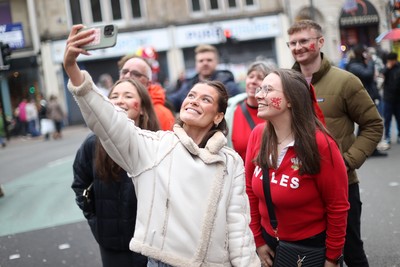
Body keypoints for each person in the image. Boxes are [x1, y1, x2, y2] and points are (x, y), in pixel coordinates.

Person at [63, 24, 260, 267]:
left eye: (206, 99)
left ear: (219, 116)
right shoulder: (156, 146)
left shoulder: (231, 161)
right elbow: (109, 120)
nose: (194, 101)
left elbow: (238, 226)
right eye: (191, 95)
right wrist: (73, 69)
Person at [287, 20, 383, 267]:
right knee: (308, 254)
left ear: (320, 42)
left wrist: (347, 161)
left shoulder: (345, 81)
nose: (298, 47)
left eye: (304, 41)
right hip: (299, 186)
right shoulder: (285, 84)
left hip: (341, 185)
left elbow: (373, 125)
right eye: (293, 43)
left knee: (349, 251)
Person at [245, 68, 349, 267]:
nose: (258, 95)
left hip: (310, 247)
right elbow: (250, 191)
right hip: (268, 243)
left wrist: (332, 258)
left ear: (291, 100)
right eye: (260, 89)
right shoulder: (258, 134)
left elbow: (337, 206)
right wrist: (258, 240)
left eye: (268, 90)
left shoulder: (320, 144)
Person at [72, 78, 159, 267]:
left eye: (128, 96)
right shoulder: (92, 144)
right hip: (112, 244)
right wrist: (97, 223)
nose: (120, 100)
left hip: (152, 244)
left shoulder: (158, 142)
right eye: (114, 96)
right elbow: (80, 185)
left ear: (142, 107)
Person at [167, 44, 242, 112]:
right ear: (196, 64)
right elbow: (171, 101)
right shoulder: (188, 85)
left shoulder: (229, 86)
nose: (205, 63)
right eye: (201, 61)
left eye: (209, 60)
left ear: (216, 62)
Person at [225, 61, 272, 161]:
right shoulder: (230, 112)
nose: (253, 81)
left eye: (260, 78)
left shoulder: (276, 114)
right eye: (251, 77)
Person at [345, 44, 386, 157]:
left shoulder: (359, 64)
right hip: (362, 98)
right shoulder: (354, 65)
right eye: (365, 52)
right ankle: (364, 150)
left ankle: (369, 149)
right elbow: (367, 74)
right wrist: (371, 62)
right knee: (369, 123)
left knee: (369, 123)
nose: (366, 54)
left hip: (369, 95)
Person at [118, 55, 175, 130]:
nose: (127, 76)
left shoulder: (162, 114)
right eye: (124, 72)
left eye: (136, 74)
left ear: (148, 83)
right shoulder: (111, 104)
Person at [381, 52, 400, 147]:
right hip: (388, 97)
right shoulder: (386, 68)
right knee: (387, 118)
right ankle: (387, 137)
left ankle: (399, 135)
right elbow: (382, 74)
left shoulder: (398, 67)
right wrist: (387, 68)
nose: (390, 62)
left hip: (398, 98)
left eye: (391, 60)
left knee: (399, 118)